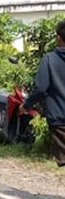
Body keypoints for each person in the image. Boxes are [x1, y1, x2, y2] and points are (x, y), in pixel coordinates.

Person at [20, 19, 65, 168]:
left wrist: (26, 105)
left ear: (58, 37)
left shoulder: (49, 60)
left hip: (59, 119)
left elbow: (40, 89)